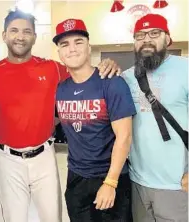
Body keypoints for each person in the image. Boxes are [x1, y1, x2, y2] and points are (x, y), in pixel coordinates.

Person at [0, 9, 121, 222]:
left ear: (35, 37)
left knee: (52, 217)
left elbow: (83, 72)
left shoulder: (53, 68)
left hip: (44, 155)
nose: (20, 36)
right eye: (14, 30)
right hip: (8, 159)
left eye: (27, 31)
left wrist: (108, 63)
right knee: (14, 218)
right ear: (4, 35)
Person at [53, 18, 136, 222]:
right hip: (77, 179)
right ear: (59, 53)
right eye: (65, 44)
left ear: (89, 47)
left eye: (78, 42)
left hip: (111, 177)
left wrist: (110, 183)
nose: (72, 49)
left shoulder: (112, 83)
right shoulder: (61, 89)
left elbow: (124, 137)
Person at [122, 14, 188, 222]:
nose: (146, 40)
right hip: (138, 183)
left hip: (177, 185)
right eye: (140, 35)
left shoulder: (185, 69)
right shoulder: (126, 77)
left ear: (168, 39)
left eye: (154, 33)